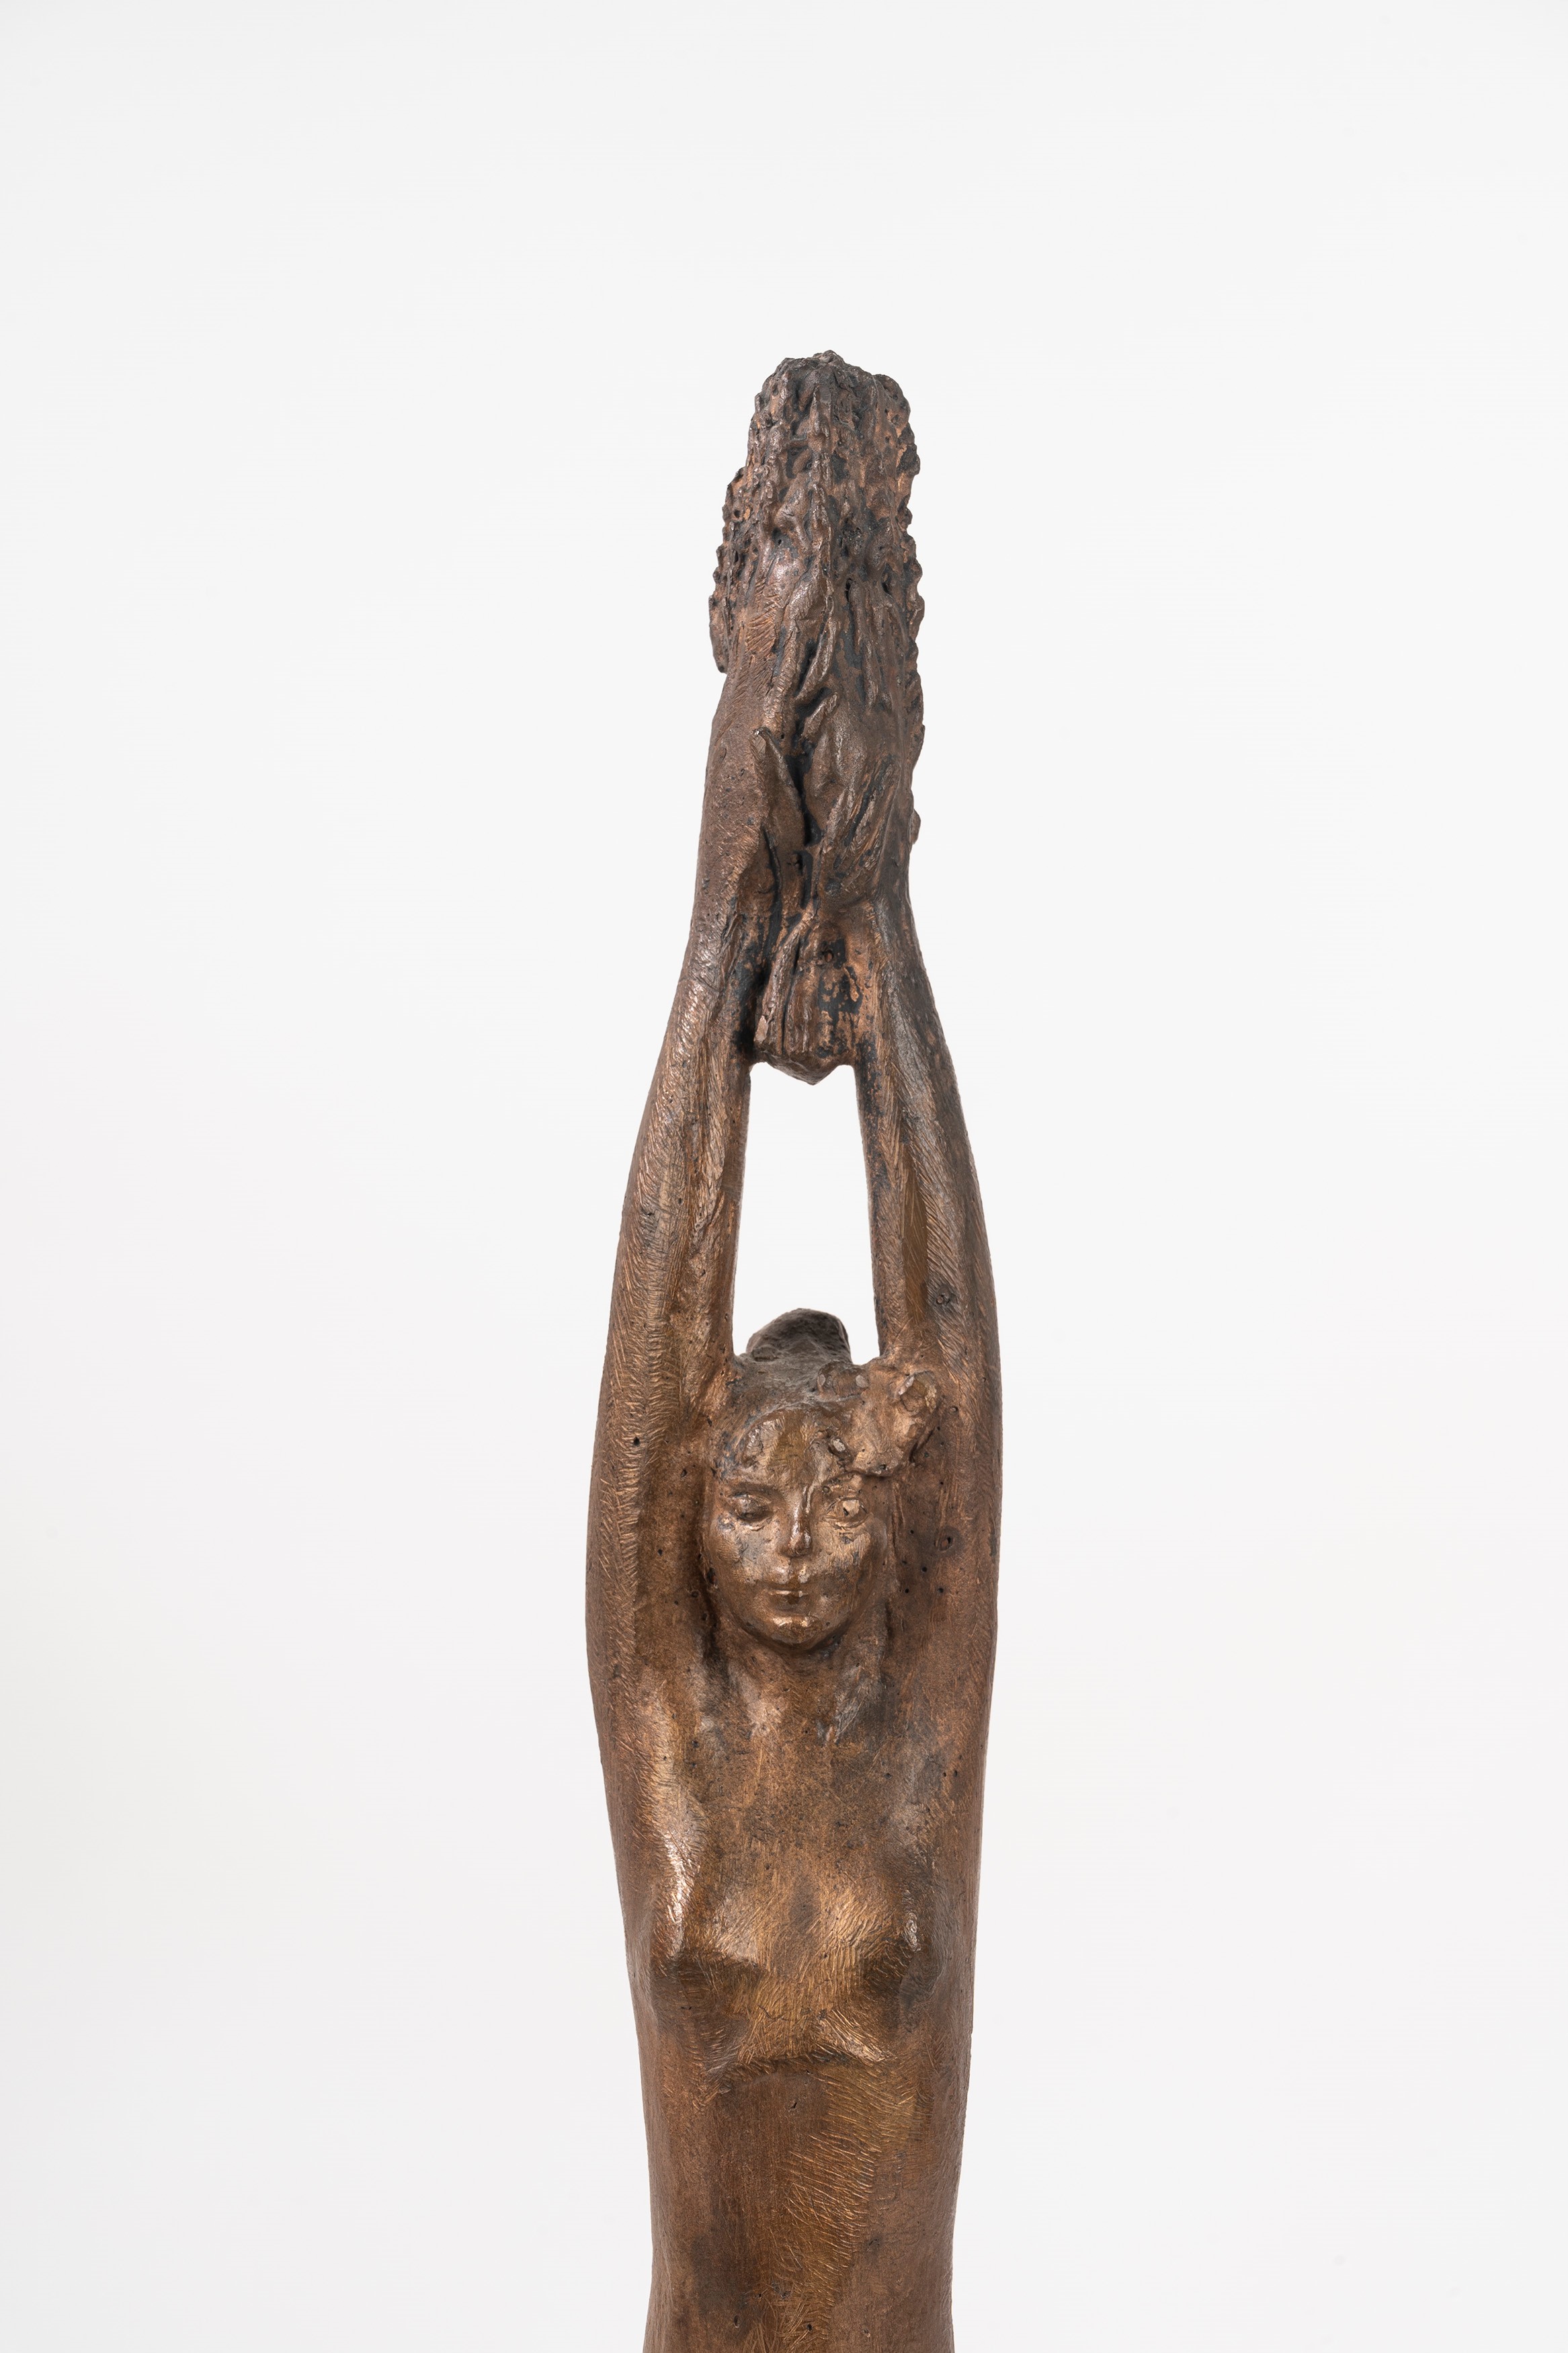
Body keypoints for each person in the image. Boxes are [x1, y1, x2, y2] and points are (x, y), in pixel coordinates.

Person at [587, 354, 1001, 2353]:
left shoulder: (923, 1719)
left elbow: (951, 1337)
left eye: (839, 1490)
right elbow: (662, 1320)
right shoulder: (664, 1725)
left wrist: (873, 907)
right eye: (749, 1499)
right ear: (687, 1520)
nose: (798, 1539)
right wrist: (718, 926)